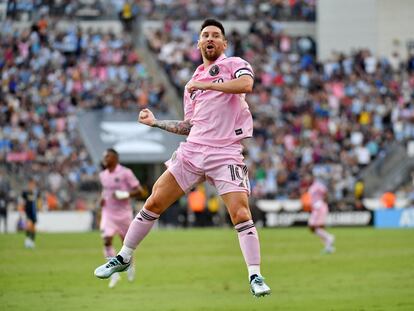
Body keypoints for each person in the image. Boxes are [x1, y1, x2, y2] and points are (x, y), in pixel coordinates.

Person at [94, 18, 271, 297]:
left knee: (240, 213)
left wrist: (210, 85)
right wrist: (156, 123)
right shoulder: (192, 84)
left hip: (225, 152)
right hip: (193, 150)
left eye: (215, 35)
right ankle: (124, 256)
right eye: (205, 35)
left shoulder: (234, 64)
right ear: (198, 43)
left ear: (224, 43)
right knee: (154, 201)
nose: (210, 38)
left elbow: (246, 85)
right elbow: (190, 125)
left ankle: (255, 276)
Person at [98, 148, 143, 288]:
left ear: (115, 158)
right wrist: (102, 198)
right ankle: (113, 273)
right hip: (108, 213)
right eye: (104, 157)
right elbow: (106, 190)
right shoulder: (103, 175)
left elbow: (140, 191)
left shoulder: (125, 172)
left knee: (126, 244)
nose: (105, 159)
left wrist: (124, 195)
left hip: (123, 213)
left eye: (108, 156)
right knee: (106, 240)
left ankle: (130, 266)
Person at [307, 176, 335, 253]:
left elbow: (325, 192)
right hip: (316, 208)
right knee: (315, 228)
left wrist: (323, 203)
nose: (307, 179)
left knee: (312, 226)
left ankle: (329, 238)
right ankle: (328, 246)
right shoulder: (312, 187)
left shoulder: (318, 185)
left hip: (319, 207)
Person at [20, 179, 39, 248]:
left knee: (33, 227)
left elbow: (38, 201)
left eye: (33, 184)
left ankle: (32, 241)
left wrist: (40, 207)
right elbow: (22, 201)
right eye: (30, 184)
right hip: (28, 212)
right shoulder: (25, 193)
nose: (32, 186)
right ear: (29, 185)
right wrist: (21, 209)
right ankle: (27, 240)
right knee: (29, 225)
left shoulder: (36, 192)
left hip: (34, 212)